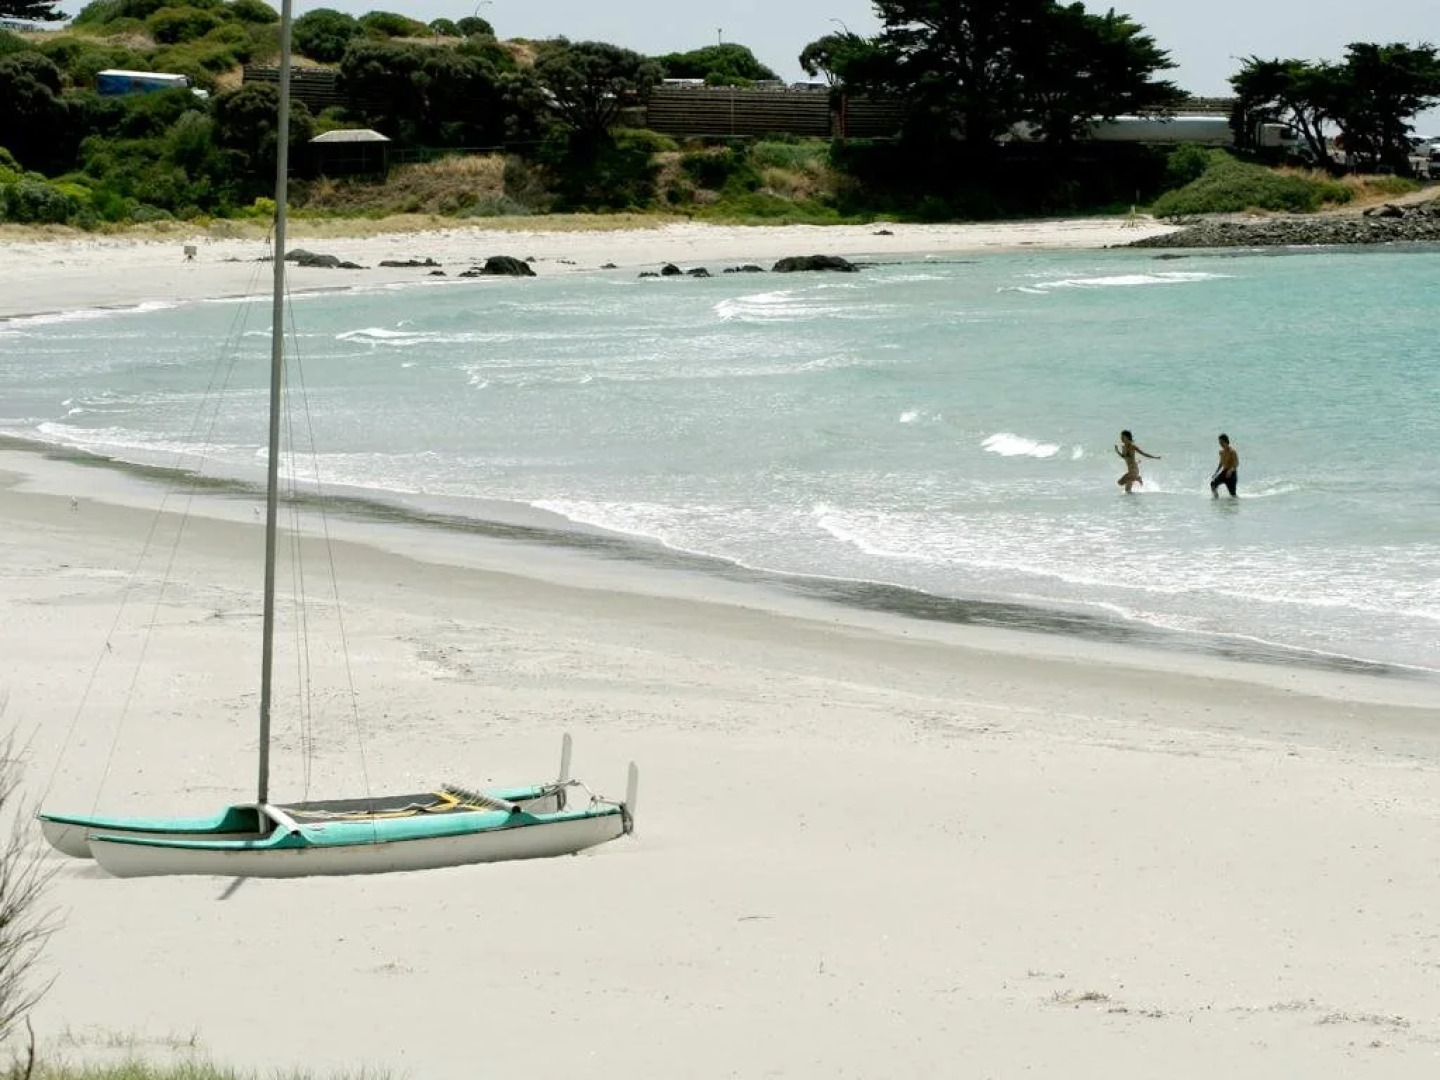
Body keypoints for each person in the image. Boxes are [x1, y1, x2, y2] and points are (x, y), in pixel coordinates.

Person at [1210, 433, 1239, 497]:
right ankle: (1216, 499)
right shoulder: (1221, 452)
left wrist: (1230, 470)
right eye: (1220, 442)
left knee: (1233, 495)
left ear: (1226, 441)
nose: (1221, 444)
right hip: (1224, 472)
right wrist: (1216, 472)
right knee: (1213, 484)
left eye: (1222, 442)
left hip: (1232, 475)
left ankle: (1234, 505)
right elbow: (1221, 463)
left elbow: (1236, 463)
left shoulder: (1232, 451)